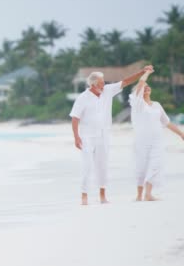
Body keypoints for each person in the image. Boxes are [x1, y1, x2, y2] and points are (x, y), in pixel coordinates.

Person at [70, 65, 154, 205]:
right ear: (93, 84)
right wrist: (76, 137)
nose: (104, 84)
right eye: (101, 82)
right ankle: (84, 196)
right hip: (87, 137)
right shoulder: (83, 98)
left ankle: (103, 196)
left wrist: (142, 72)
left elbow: (126, 81)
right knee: (87, 166)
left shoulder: (107, 91)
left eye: (103, 82)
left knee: (102, 166)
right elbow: (75, 118)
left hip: (104, 136)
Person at [129, 71, 184, 201]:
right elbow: (141, 83)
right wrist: (146, 73)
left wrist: (181, 134)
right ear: (139, 90)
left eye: (148, 86)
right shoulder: (138, 104)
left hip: (157, 141)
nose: (147, 87)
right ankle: (139, 195)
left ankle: (148, 194)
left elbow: (167, 123)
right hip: (142, 141)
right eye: (144, 87)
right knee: (141, 166)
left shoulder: (157, 105)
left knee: (155, 165)